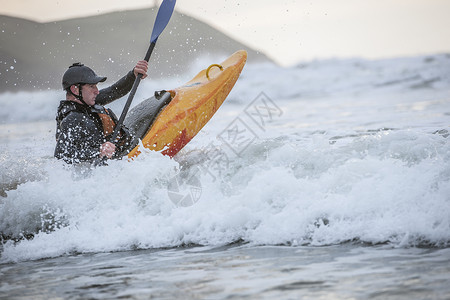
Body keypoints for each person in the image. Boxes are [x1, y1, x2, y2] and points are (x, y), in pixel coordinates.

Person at [54, 61, 148, 164]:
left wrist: (133, 75)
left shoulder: (86, 103)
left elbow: (114, 91)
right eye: (91, 86)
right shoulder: (72, 118)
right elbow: (61, 155)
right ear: (75, 90)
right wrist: (99, 151)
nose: (97, 91)